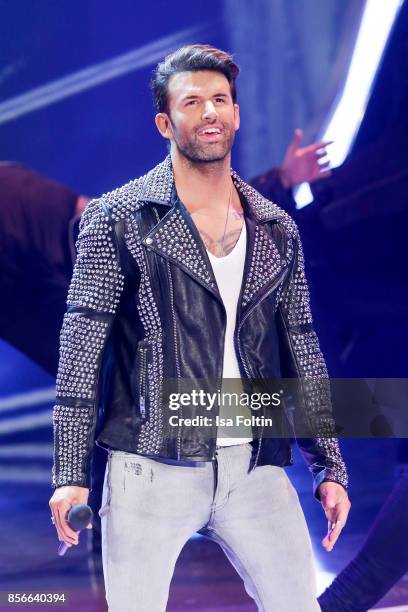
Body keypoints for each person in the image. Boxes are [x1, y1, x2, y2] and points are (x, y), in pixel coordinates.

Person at [48, 44, 350, 611]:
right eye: (193, 102)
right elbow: (81, 349)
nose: (210, 112)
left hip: (254, 466)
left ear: (236, 113)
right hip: (149, 467)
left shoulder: (275, 227)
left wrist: (329, 464)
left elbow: (302, 347)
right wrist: (70, 472)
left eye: (220, 100)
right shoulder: (119, 217)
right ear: (166, 122)